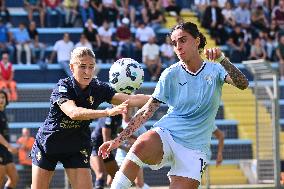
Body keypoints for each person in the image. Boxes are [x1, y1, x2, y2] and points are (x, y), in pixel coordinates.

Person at [98, 21, 249, 189]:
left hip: (195, 149)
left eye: (183, 40)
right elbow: (147, 110)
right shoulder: (170, 74)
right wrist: (118, 140)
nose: (178, 47)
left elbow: (243, 84)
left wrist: (222, 60)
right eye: (174, 43)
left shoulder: (215, 70)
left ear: (197, 41)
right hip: (168, 133)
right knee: (140, 145)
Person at [30, 47, 150, 189]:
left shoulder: (98, 87)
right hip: (49, 144)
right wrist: (106, 113)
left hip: (77, 145)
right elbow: (73, 113)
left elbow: (130, 99)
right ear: (72, 67)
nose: (87, 72)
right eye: (82, 66)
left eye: (91, 67)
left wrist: (162, 96)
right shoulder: (62, 87)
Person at [115, 107, 150, 189]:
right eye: (125, 107)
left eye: (129, 107)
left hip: (134, 159)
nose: (127, 110)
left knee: (139, 184)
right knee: (114, 183)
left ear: (132, 109)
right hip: (120, 159)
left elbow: (146, 140)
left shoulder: (137, 123)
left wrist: (133, 143)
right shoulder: (116, 123)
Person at [90, 107, 122, 189]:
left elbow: (119, 130)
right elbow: (106, 139)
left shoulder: (119, 115)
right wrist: (123, 146)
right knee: (101, 175)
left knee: (118, 177)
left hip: (106, 148)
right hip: (96, 147)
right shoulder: (109, 114)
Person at [0, 90, 19, 189]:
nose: (1, 100)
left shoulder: (3, 112)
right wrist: (9, 146)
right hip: (1, 149)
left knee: (14, 178)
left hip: (5, 150)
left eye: (3, 97)